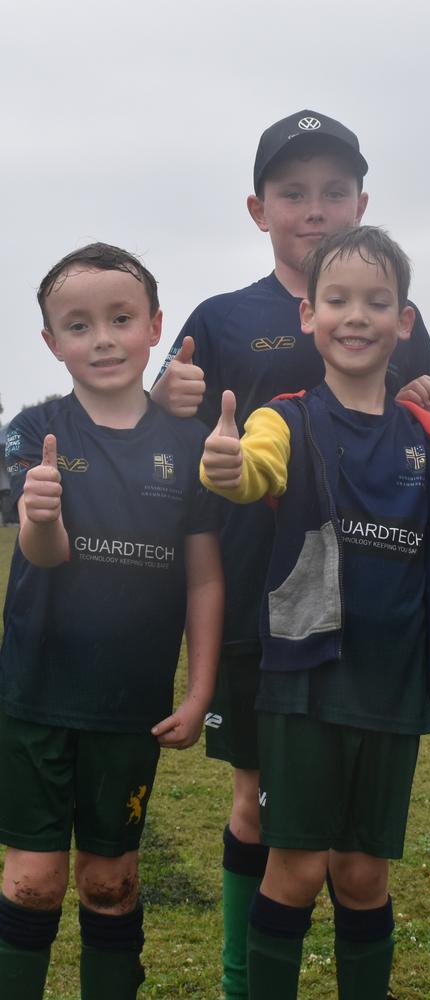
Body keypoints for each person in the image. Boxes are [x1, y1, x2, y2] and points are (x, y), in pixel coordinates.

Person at [151, 108, 430, 1000]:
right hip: (251, 605)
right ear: (258, 207)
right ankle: (244, 979)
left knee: (352, 851)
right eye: (292, 193)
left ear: (361, 201)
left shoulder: (398, 312)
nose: (313, 209)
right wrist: (168, 399)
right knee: (254, 802)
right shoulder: (221, 316)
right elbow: (171, 442)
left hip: (365, 622)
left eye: (332, 191)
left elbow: (412, 439)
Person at [200, 225, 430, 1000]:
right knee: (294, 869)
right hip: (304, 685)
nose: (355, 316)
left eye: (376, 301)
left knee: (362, 876)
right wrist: (228, 466)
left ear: (404, 321)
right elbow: (253, 468)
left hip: (389, 690)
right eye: (337, 300)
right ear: (308, 317)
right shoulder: (285, 419)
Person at [0, 243, 224, 1000]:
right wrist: (39, 516)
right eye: (78, 324)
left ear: (154, 325)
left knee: (111, 881)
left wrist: (197, 694)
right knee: (31, 882)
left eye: (120, 318)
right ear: (50, 342)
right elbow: (47, 552)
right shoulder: (34, 434)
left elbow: (203, 577)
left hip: (129, 708)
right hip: (32, 698)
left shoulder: (188, 448)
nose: (101, 338)